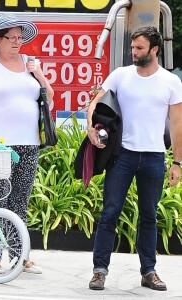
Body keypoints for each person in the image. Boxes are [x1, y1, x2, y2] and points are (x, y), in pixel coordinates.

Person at [86, 26, 182, 291]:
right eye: (132, 48)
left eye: (139, 48)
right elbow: (96, 102)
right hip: (122, 155)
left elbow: (177, 125)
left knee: (149, 216)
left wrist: (177, 162)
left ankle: (148, 271)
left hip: (154, 157)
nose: (134, 52)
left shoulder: (170, 82)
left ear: (154, 50)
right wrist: (89, 127)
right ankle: (99, 270)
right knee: (110, 213)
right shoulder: (121, 75)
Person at [0, 13, 54, 274]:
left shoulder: (30, 64)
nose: (17, 42)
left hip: (28, 143)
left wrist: (39, 74)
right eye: (12, 38)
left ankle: (21, 255)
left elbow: (49, 97)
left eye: (20, 38)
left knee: (20, 200)